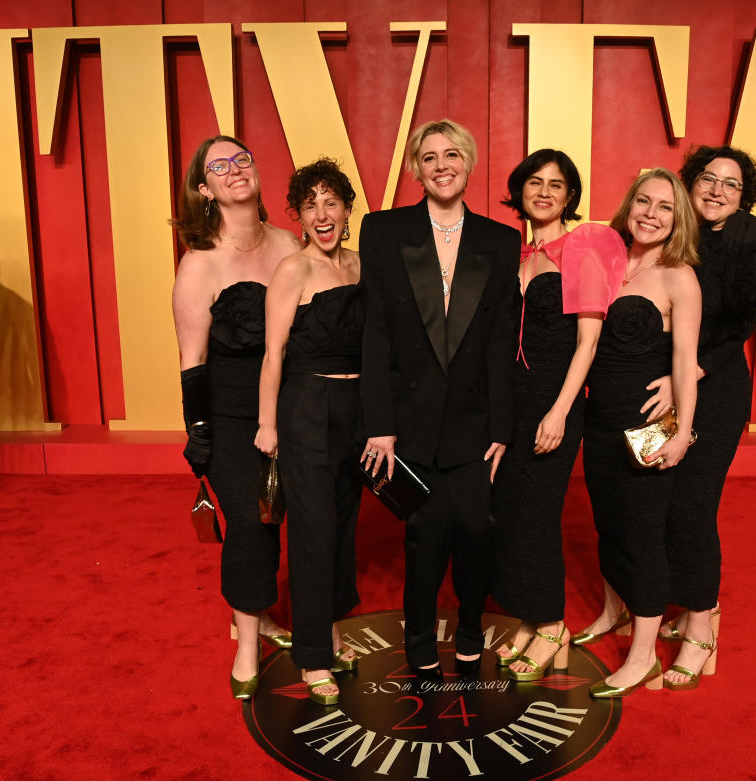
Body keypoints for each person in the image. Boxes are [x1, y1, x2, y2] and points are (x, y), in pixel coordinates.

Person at [359, 119, 520, 681]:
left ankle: (472, 628)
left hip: (476, 419)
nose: (441, 164)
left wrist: (503, 425)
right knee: (424, 534)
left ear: (470, 163)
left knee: (477, 528)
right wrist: (379, 423)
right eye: (429, 157)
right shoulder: (382, 231)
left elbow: (502, 339)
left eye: (452, 154)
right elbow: (375, 332)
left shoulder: (501, 241)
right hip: (409, 417)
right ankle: (421, 639)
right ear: (416, 169)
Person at [171, 136, 302, 701]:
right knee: (250, 522)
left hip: (295, 407)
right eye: (217, 166)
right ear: (205, 189)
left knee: (277, 518)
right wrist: (198, 433)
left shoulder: (290, 244)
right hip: (230, 417)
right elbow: (191, 364)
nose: (233, 170)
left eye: (241, 159)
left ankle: (261, 613)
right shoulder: (199, 264)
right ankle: (247, 642)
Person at [649, 146, 756, 687]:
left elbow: (740, 328)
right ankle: (685, 601)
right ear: (690, 182)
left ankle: (703, 624)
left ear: (743, 195)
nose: (717, 191)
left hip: (716, 385)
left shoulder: (755, 242)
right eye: (708, 179)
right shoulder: (674, 228)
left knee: (692, 506)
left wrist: (693, 373)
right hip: (661, 384)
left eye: (731, 185)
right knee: (660, 499)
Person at [490, 149, 625, 682]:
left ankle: (552, 626)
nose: (544, 192)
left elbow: (588, 342)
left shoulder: (582, 250)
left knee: (538, 514)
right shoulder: (516, 253)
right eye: (534, 182)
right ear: (519, 190)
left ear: (571, 196)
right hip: (512, 402)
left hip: (555, 401)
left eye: (557, 185)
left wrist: (561, 412)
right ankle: (531, 616)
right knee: (509, 510)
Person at [581, 168, 702, 698]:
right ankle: (614, 612)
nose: (651, 214)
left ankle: (643, 656)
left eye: (665, 207)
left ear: (679, 220)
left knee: (644, 538)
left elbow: (685, 363)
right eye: (644, 202)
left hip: (647, 426)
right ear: (629, 205)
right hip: (599, 420)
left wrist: (682, 434)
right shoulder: (607, 263)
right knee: (608, 525)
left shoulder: (681, 277)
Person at [254, 158, 364, 706]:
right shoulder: (292, 271)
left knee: (345, 527)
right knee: (314, 532)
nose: (322, 214)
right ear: (297, 216)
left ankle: (332, 630)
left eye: (331, 202)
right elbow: (272, 353)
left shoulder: (363, 266)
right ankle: (313, 656)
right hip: (306, 408)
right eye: (309, 205)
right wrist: (267, 424)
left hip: (356, 409)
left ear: (347, 210)